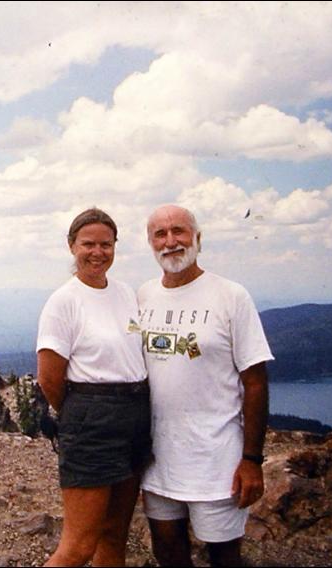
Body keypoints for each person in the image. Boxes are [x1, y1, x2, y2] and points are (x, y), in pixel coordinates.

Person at [137, 204, 274, 567]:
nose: (170, 242)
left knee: (224, 558)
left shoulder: (230, 295)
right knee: (168, 553)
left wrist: (252, 460)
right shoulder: (143, 296)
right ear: (150, 244)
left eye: (179, 231)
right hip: (157, 461)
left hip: (217, 462)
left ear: (198, 238)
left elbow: (255, 381)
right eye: (160, 234)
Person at [36, 207, 151, 567]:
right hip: (92, 419)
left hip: (135, 417)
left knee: (114, 536)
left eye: (106, 244)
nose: (97, 252)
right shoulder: (63, 301)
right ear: (72, 246)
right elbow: (49, 378)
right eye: (88, 244)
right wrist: (81, 416)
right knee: (79, 546)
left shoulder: (126, 293)